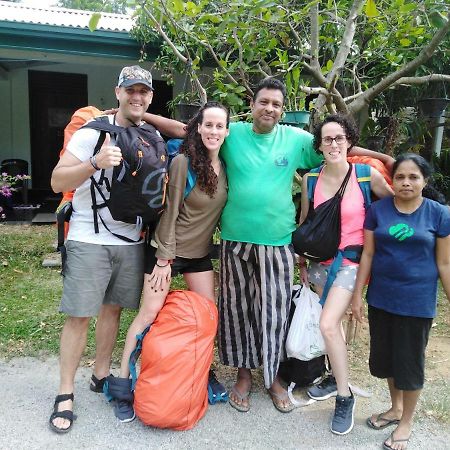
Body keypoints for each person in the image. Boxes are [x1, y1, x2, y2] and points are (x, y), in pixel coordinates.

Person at [141, 77, 395, 413]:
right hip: (235, 241)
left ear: (282, 109)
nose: (270, 109)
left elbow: (337, 145)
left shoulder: (296, 140)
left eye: (276, 104)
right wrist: (143, 117)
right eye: (264, 102)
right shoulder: (235, 134)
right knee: (236, 312)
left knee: (273, 314)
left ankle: (273, 378)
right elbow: (185, 129)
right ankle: (244, 376)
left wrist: (384, 158)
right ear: (252, 104)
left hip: (277, 243)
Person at [106, 101, 230, 422]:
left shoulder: (225, 167)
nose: (213, 131)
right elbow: (170, 214)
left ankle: (200, 374)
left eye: (220, 126)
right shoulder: (183, 164)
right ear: (198, 128)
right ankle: (121, 383)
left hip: (199, 254)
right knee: (148, 314)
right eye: (208, 125)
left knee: (208, 318)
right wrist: (163, 260)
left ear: (226, 131)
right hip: (166, 252)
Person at [49, 65, 155, 433]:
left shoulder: (150, 136)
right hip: (89, 238)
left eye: (143, 91)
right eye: (131, 90)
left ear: (150, 97)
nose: (136, 97)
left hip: (130, 241)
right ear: (118, 92)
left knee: (112, 312)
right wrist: (95, 162)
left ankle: (100, 373)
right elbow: (56, 180)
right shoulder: (92, 134)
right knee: (79, 315)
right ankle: (65, 393)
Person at [298, 114, 392, 434]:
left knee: (326, 324)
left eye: (339, 138)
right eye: (327, 139)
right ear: (319, 146)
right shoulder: (311, 179)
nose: (334, 144)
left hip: (351, 265)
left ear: (349, 141)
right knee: (331, 327)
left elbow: (398, 206)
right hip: (319, 265)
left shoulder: (366, 176)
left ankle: (343, 396)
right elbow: (305, 223)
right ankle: (333, 375)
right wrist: (300, 263)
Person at [351, 153, 450, 450]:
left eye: (413, 177)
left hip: (416, 302)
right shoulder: (378, 210)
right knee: (387, 360)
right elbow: (367, 254)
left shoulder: (439, 214)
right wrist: (357, 294)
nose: (406, 182)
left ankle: (406, 421)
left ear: (425, 181)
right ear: (391, 181)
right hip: (381, 298)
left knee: (410, 363)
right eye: (400, 177)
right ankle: (395, 408)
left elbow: (444, 264)